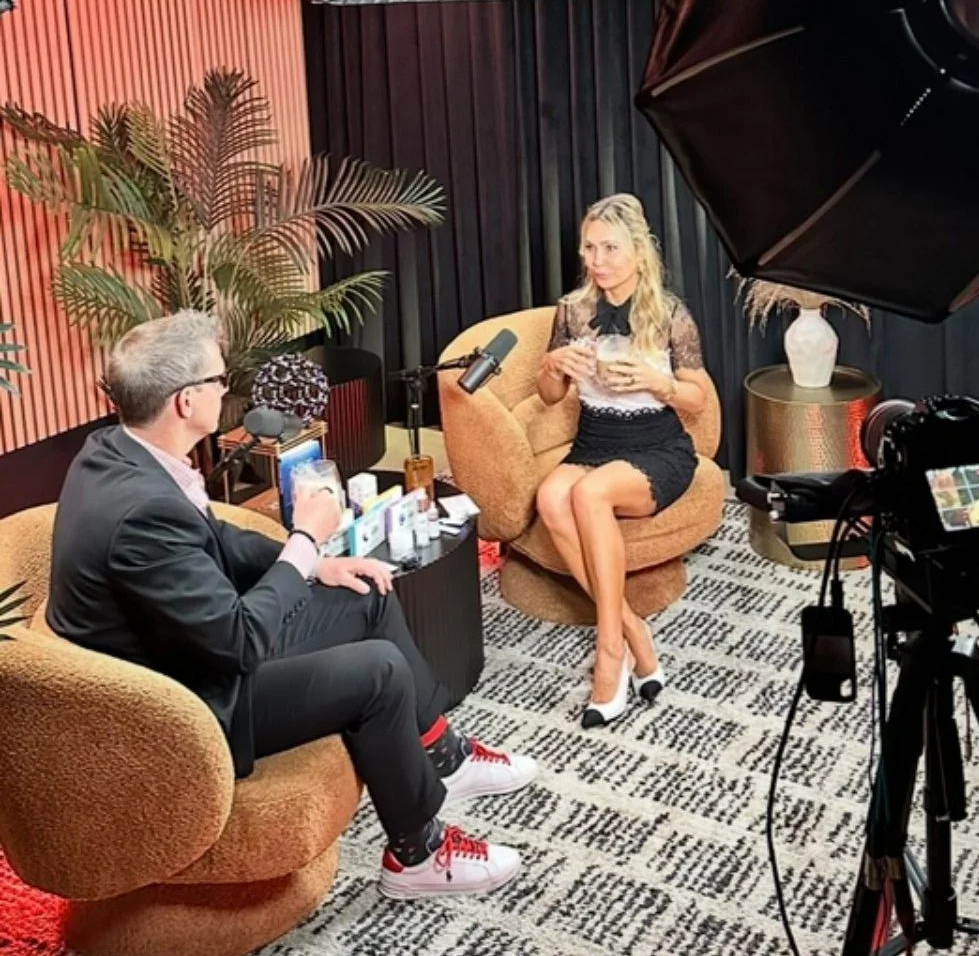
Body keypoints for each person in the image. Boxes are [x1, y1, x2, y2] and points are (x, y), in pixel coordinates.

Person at [46, 310, 537, 900]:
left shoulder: (119, 449)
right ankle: (418, 855)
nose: (226, 389)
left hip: (194, 646)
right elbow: (239, 643)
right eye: (218, 379)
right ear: (184, 401)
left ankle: (442, 754)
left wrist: (318, 563)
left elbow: (215, 537)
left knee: (366, 593)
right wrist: (304, 541)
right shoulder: (139, 514)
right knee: (377, 671)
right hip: (183, 705)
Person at [535, 193, 710, 729]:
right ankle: (636, 629)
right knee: (550, 498)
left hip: (657, 445)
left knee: (588, 494)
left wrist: (661, 383)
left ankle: (610, 649)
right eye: (589, 247)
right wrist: (554, 365)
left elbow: (699, 398)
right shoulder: (572, 310)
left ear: (638, 251)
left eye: (609, 247)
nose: (597, 259)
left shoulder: (670, 314)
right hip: (595, 441)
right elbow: (546, 394)